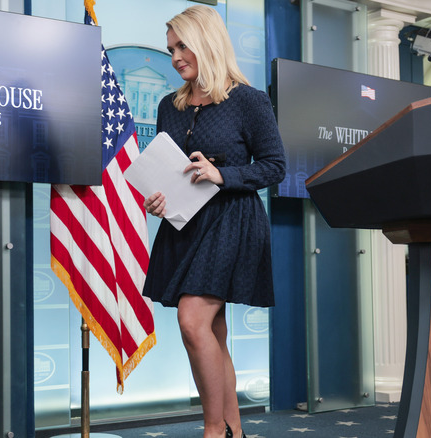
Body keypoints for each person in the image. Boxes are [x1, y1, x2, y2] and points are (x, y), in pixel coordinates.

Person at [141, 5, 286, 438]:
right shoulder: (170, 105)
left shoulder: (249, 100)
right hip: (184, 223)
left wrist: (223, 174)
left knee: (192, 320)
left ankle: (212, 429)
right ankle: (233, 430)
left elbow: (275, 167)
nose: (175, 58)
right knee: (212, 331)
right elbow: (171, 168)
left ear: (207, 41)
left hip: (231, 220)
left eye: (183, 46)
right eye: (171, 49)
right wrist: (160, 198)